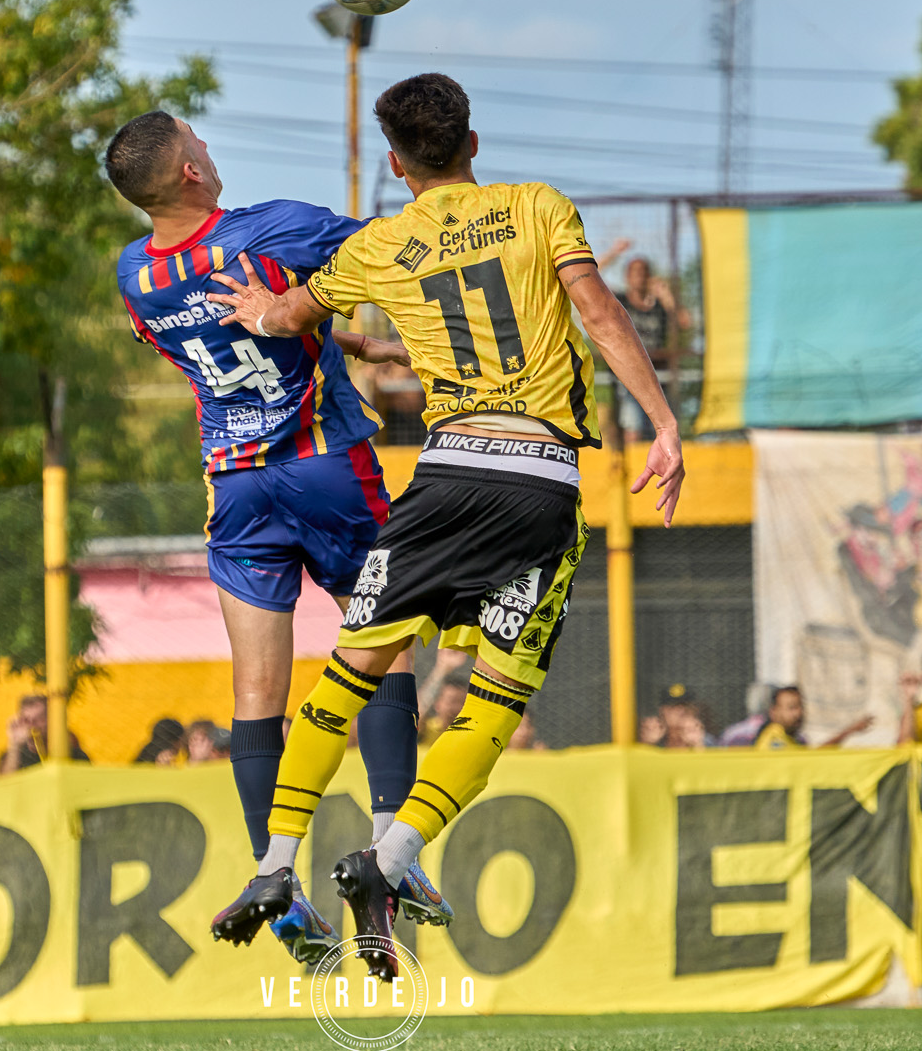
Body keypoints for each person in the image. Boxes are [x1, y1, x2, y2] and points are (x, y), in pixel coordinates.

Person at [204, 71, 685, 981]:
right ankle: (388, 859)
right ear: (473, 141)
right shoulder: (538, 206)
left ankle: (274, 864)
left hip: (442, 476)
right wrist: (661, 422)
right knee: (494, 703)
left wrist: (259, 310)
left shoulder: (382, 243)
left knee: (350, 674)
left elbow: (288, 313)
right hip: (538, 481)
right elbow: (599, 311)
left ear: (395, 161)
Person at [104, 110, 450, 963]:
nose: (213, 150)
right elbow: (398, 243)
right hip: (323, 465)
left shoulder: (134, 274)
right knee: (387, 650)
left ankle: (277, 879)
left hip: (236, 484)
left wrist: (329, 332)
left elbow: (216, 336)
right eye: (203, 143)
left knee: (258, 689)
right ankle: (390, 855)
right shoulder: (273, 230)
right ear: (189, 170)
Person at [611, 254, 679, 443]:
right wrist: (615, 251)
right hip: (630, 374)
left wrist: (667, 297)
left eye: (644, 273)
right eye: (635, 273)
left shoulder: (657, 305)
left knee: (658, 427)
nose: (640, 277)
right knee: (633, 423)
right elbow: (589, 277)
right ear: (627, 277)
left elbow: (684, 323)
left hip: (658, 375)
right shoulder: (620, 300)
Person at [752, 686, 873, 748]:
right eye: (791, 708)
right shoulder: (773, 738)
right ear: (774, 712)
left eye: (800, 707)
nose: (798, 713)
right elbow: (808, 761)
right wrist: (848, 731)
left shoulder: (793, 739)